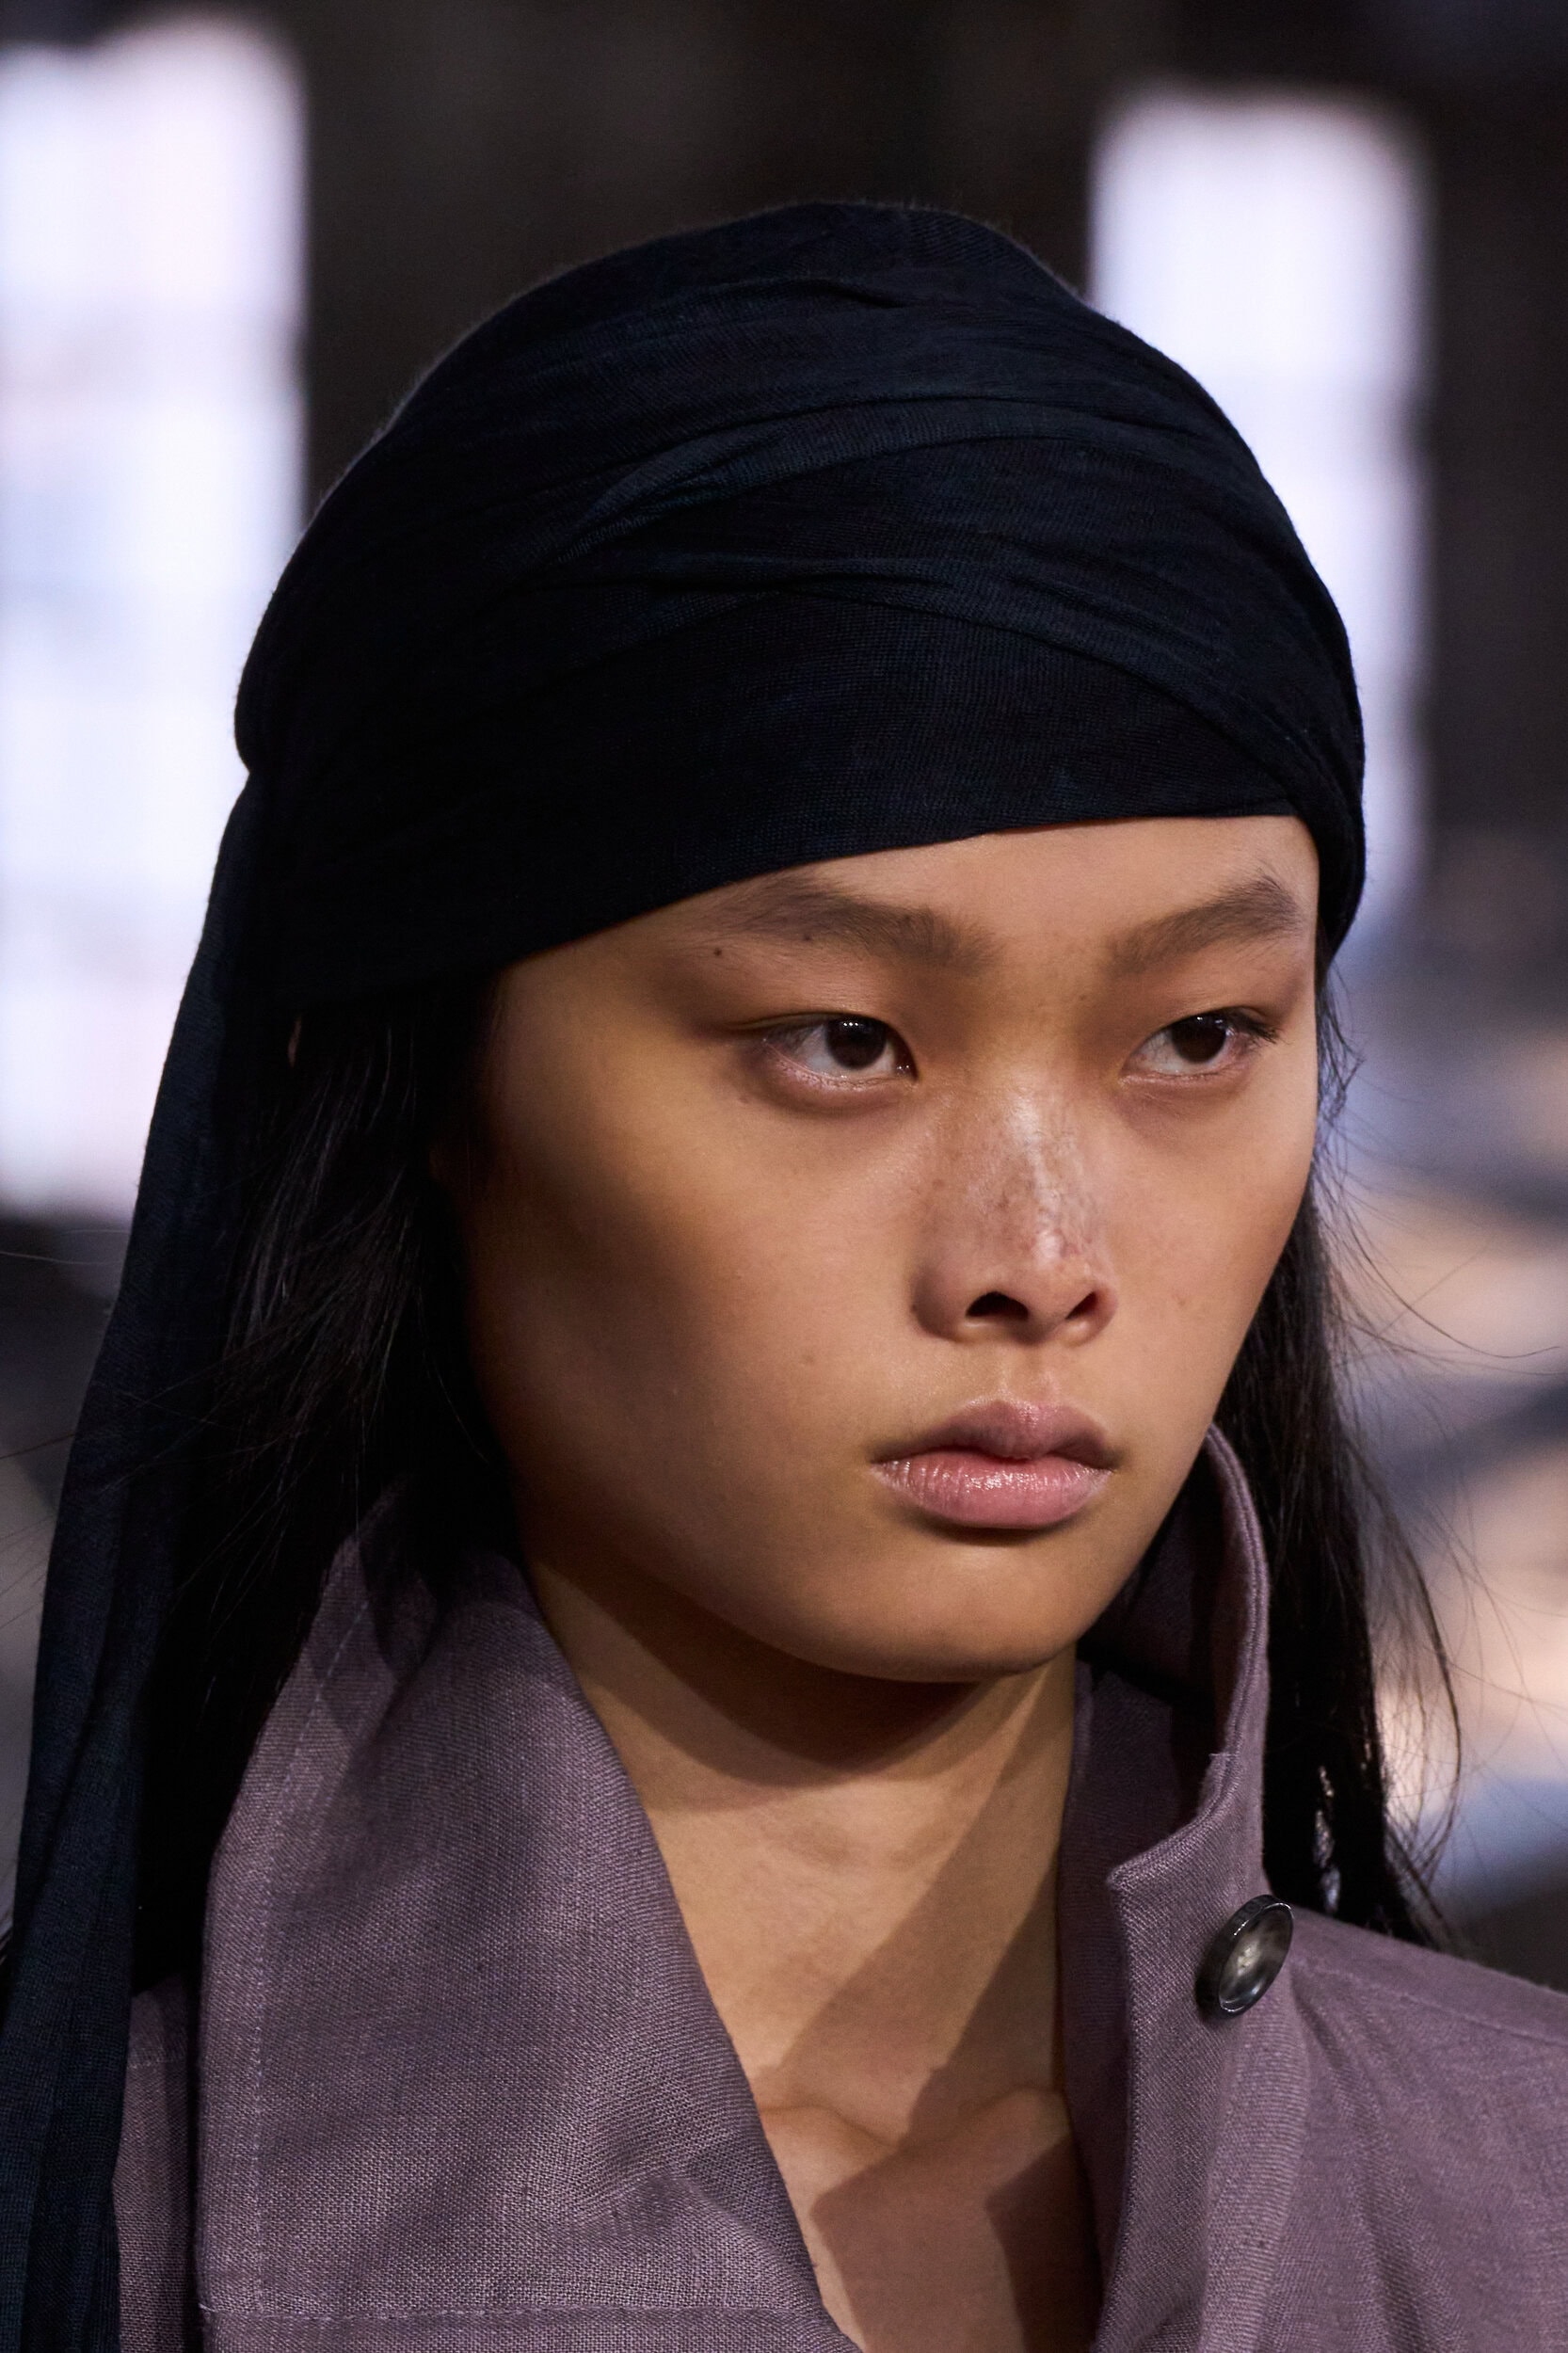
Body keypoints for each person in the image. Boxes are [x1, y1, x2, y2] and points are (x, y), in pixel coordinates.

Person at [2, 203, 1564, 2353]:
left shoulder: (1517, 2200)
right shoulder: (87, 2229)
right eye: (840, 1042)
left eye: (1197, 1036)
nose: (1039, 1261)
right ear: (418, 1078)